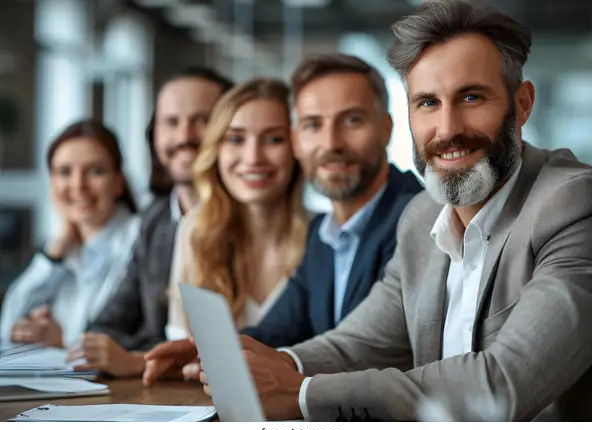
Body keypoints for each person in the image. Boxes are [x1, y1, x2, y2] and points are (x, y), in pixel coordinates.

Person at [196, 0, 592, 421]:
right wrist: (265, 365)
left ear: (521, 104)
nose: (447, 130)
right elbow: (357, 345)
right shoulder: (421, 216)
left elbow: (501, 384)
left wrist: (301, 391)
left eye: (471, 97)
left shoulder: (576, 205)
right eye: (427, 103)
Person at [142, 54, 423, 384]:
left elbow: (363, 348)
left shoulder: (415, 218)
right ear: (298, 140)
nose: (331, 143)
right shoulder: (324, 233)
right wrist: (202, 354)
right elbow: (276, 329)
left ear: (386, 129)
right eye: (313, 125)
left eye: (351, 121)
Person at [65, 67, 233, 376]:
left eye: (202, 120)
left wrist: (136, 359)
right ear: (153, 134)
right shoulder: (154, 220)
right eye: (171, 122)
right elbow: (105, 327)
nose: (184, 136)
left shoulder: (251, 218)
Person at [144, 78, 310, 382]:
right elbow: (179, 354)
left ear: (296, 147)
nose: (254, 158)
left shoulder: (323, 236)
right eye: (235, 139)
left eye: (273, 139)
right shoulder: (195, 232)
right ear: (216, 149)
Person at [0, 120, 140, 350]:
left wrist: (63, 342)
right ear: (51, 183)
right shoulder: (60, 248)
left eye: (96, 171)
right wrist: (53, 254)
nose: (78, 185)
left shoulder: (141, 238)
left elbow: (124, 334)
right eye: (64, 172)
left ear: (118, 182)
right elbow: (8, 327)